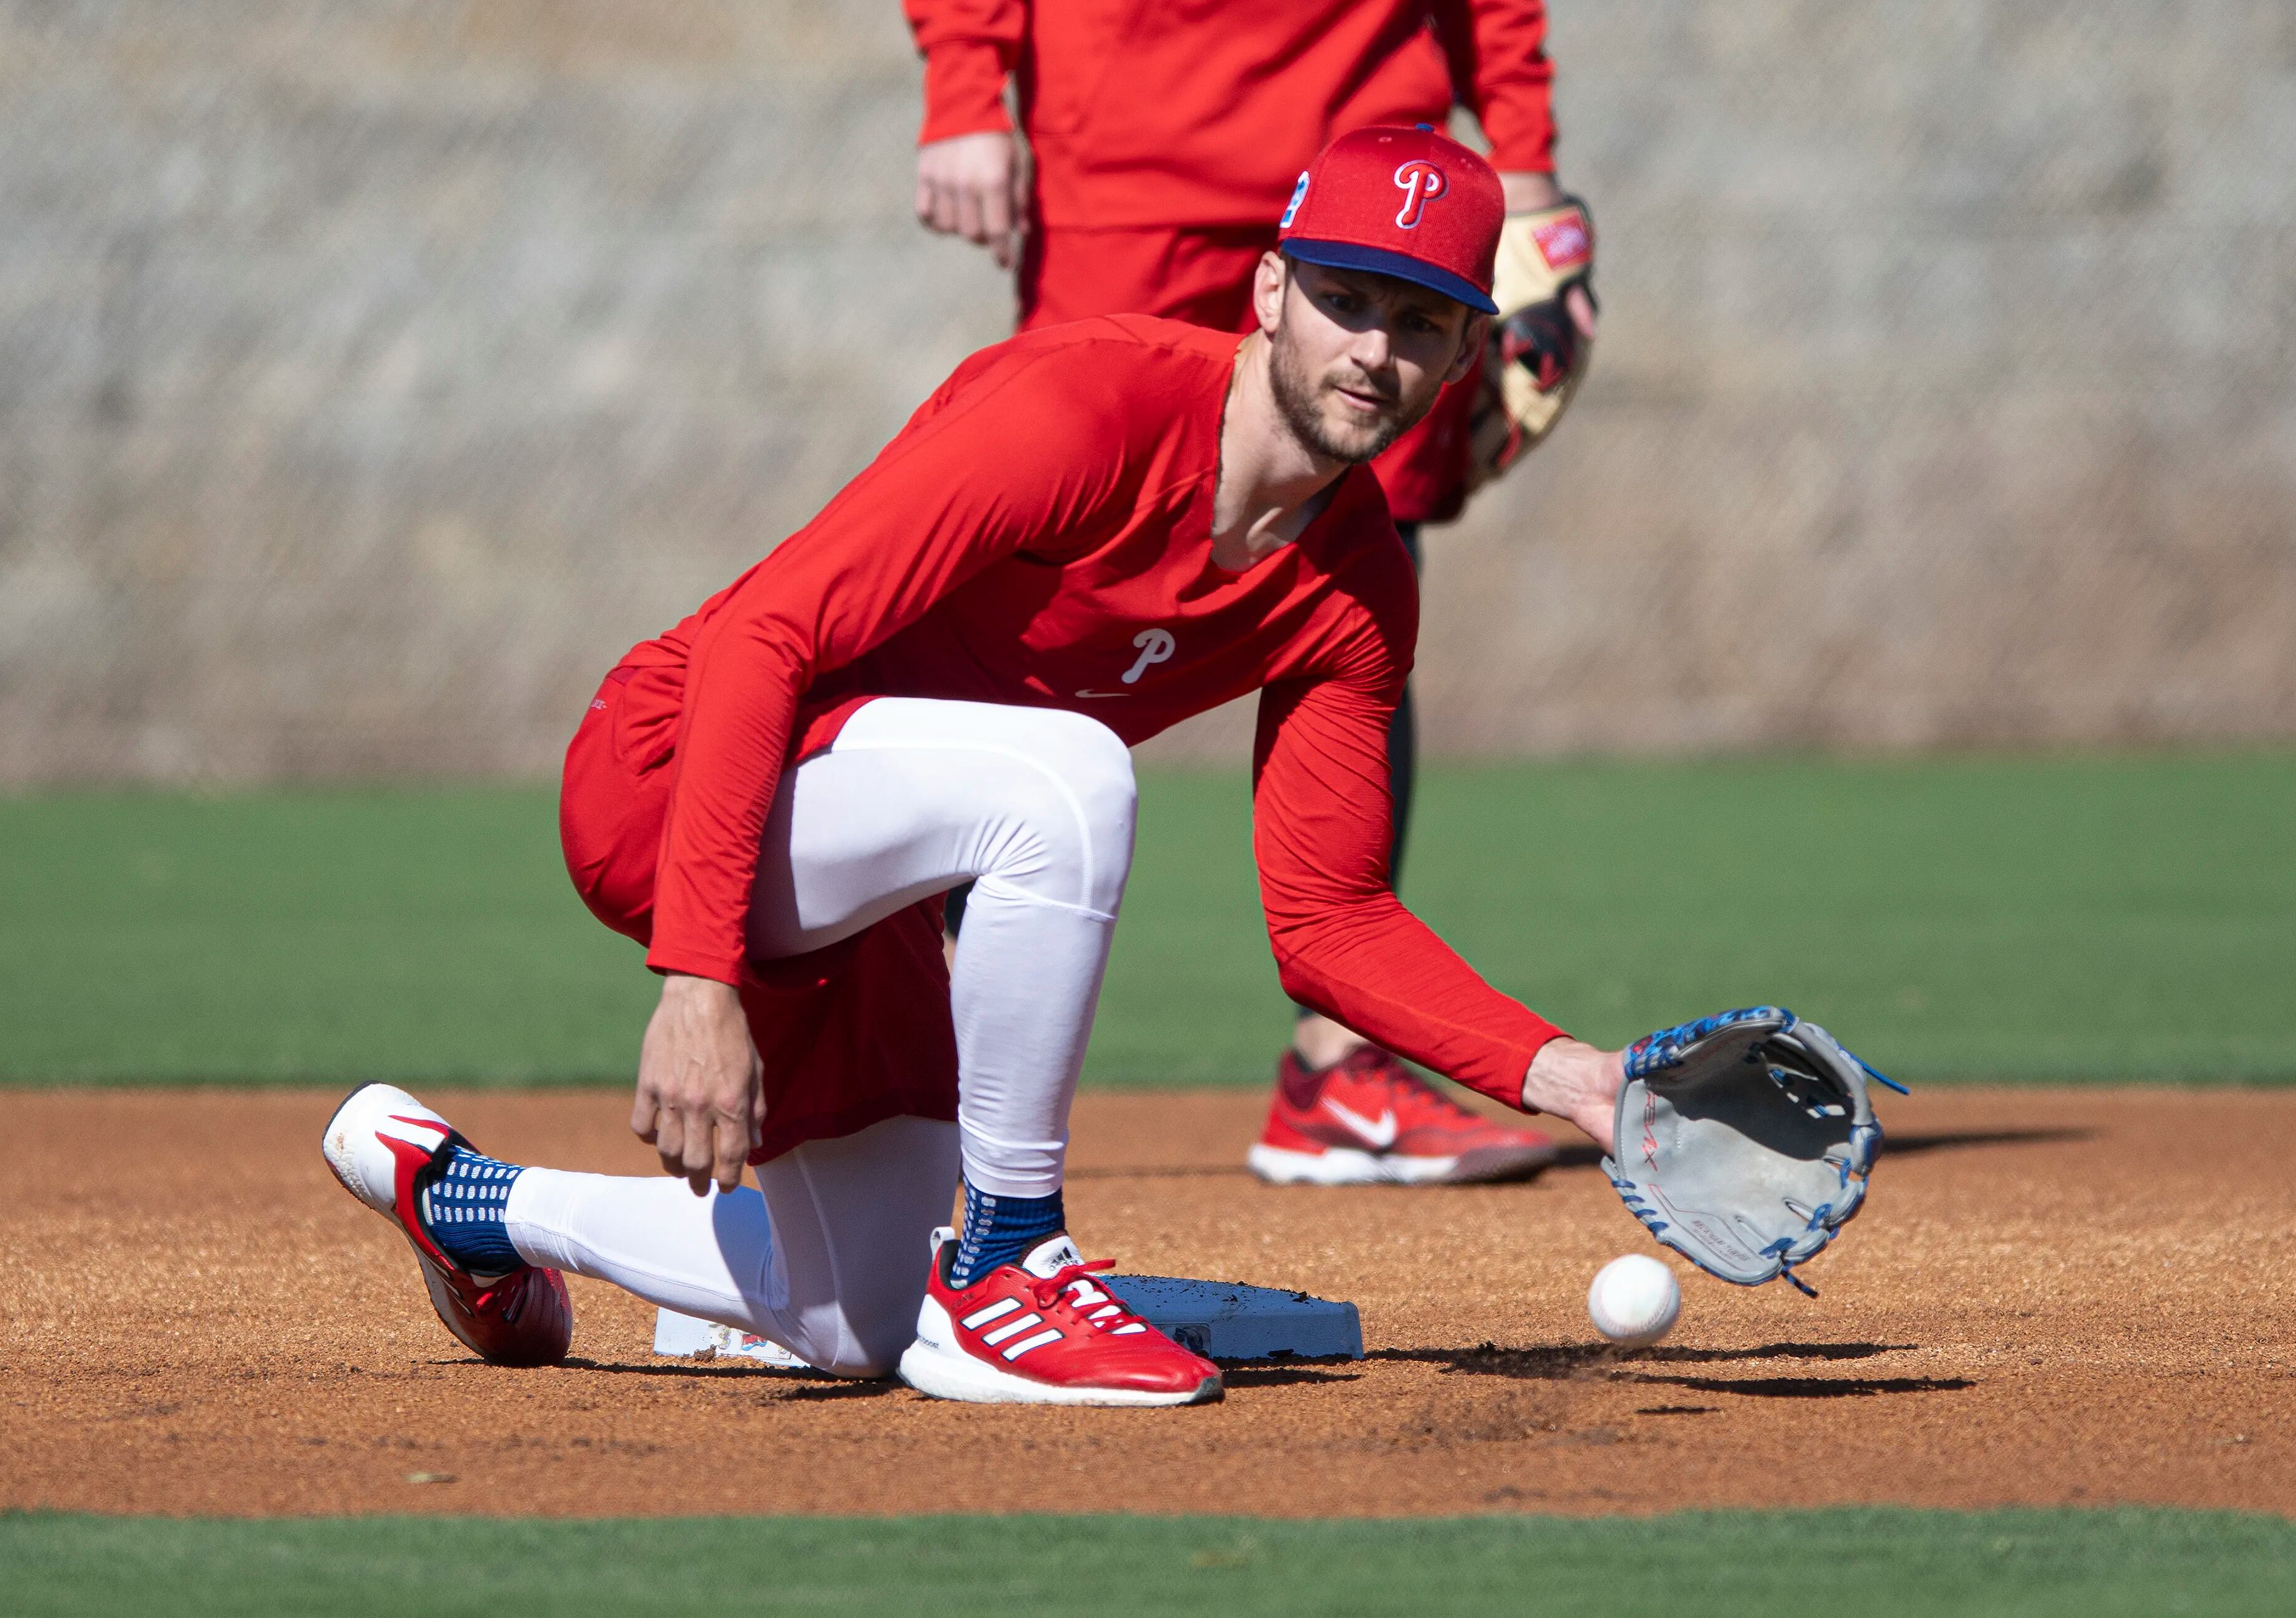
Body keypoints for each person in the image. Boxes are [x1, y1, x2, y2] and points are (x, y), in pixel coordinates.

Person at [321, 128, 1624, 1408]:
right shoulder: (1089, 407)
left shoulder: (1358, 588)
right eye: (1344, 299)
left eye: (1418, 318)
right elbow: (769, 635)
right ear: (1271, 290)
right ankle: (1014, 1256)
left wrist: (1579, 1080)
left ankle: (467, 1202)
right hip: (675, 775)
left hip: (876, 858)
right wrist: (699, 975)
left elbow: (1329, 920)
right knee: (1069, 778)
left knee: (854, 1318)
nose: (1372, 348)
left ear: (1464, 353)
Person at [903, 0, 1599, 1185]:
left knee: (1360, 562)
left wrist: (1527, 175)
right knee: (1053, 570)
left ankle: (1342, 1067)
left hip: (1380, 154)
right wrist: (968, 85)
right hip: (1131, 157)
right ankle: (920, 1070)